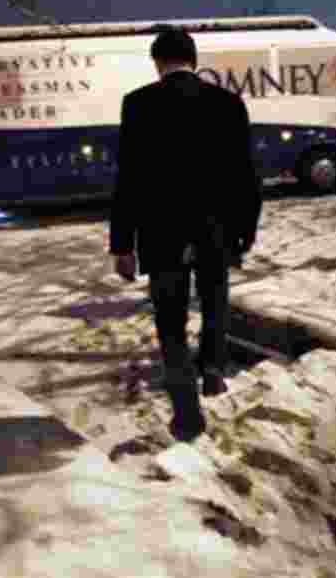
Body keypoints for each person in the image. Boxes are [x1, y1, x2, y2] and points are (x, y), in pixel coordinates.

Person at [109, 26, 262, 442]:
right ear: (194, 60)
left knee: (171, 320)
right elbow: (246, 176)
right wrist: (245, 232)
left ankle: (186, 410)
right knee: (215, 303)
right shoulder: (228, 103)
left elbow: (129, 180)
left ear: (157, 62)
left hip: (161, 234)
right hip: (216, 231)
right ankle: (212, 370)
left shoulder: (138, 104)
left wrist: (122, 245)